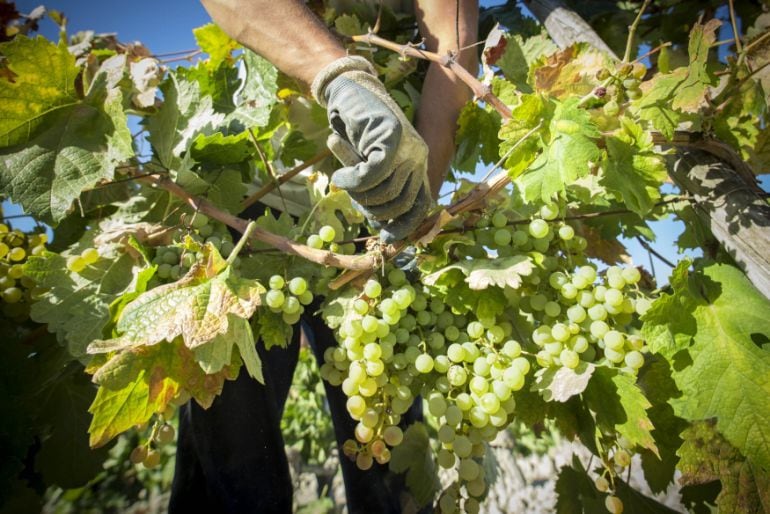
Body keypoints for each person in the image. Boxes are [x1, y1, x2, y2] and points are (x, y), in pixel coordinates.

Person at [169, 1, 478, 512]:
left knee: (390, 465)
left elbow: (453, 51)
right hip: (244, 225)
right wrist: (339, 75)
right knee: (234, 478)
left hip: (368, 233)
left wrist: (414, 196)